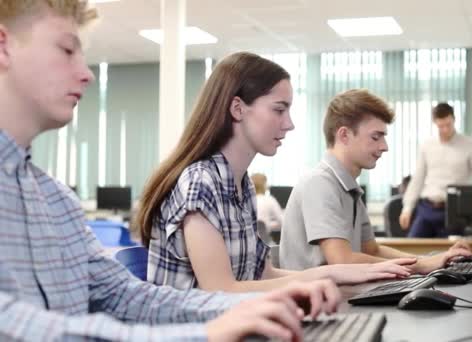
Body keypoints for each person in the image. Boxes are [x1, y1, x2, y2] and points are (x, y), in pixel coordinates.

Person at [0, 1, 343, 340]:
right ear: (4, 45)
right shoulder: (200, 181)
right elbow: (16, 325)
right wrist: (206, 333)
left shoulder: (57, 201)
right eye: (66, 49)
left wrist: (255, 305)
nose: (87, 73)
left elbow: (127, 297)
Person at [137, 52, 415, 293]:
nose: (289, 124)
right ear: (238, 108)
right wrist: (326, 275)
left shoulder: (240, 184)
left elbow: (263, 275)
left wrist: (337, 276)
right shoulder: (201, 182)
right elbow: (221, 290)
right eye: (279, 110)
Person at [279, 89, 471, 273]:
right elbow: (343, 261)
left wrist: (427, 262)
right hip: (315, 304)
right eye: (375, 137)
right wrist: (420, 267)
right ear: (344, 135)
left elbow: (372, 250)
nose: (384, 146)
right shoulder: (319, 184)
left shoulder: (349, 188)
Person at [399, 102, 472, 238]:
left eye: (448, 125)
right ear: (435, 123)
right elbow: (418, 178)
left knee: (450, 254)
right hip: (427, 208)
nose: (445, 130)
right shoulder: (427, 145)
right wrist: (407, 208)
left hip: (454, 211)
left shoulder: (470, 145)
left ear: (454, 119)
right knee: (412, 247)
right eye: (441, 126)